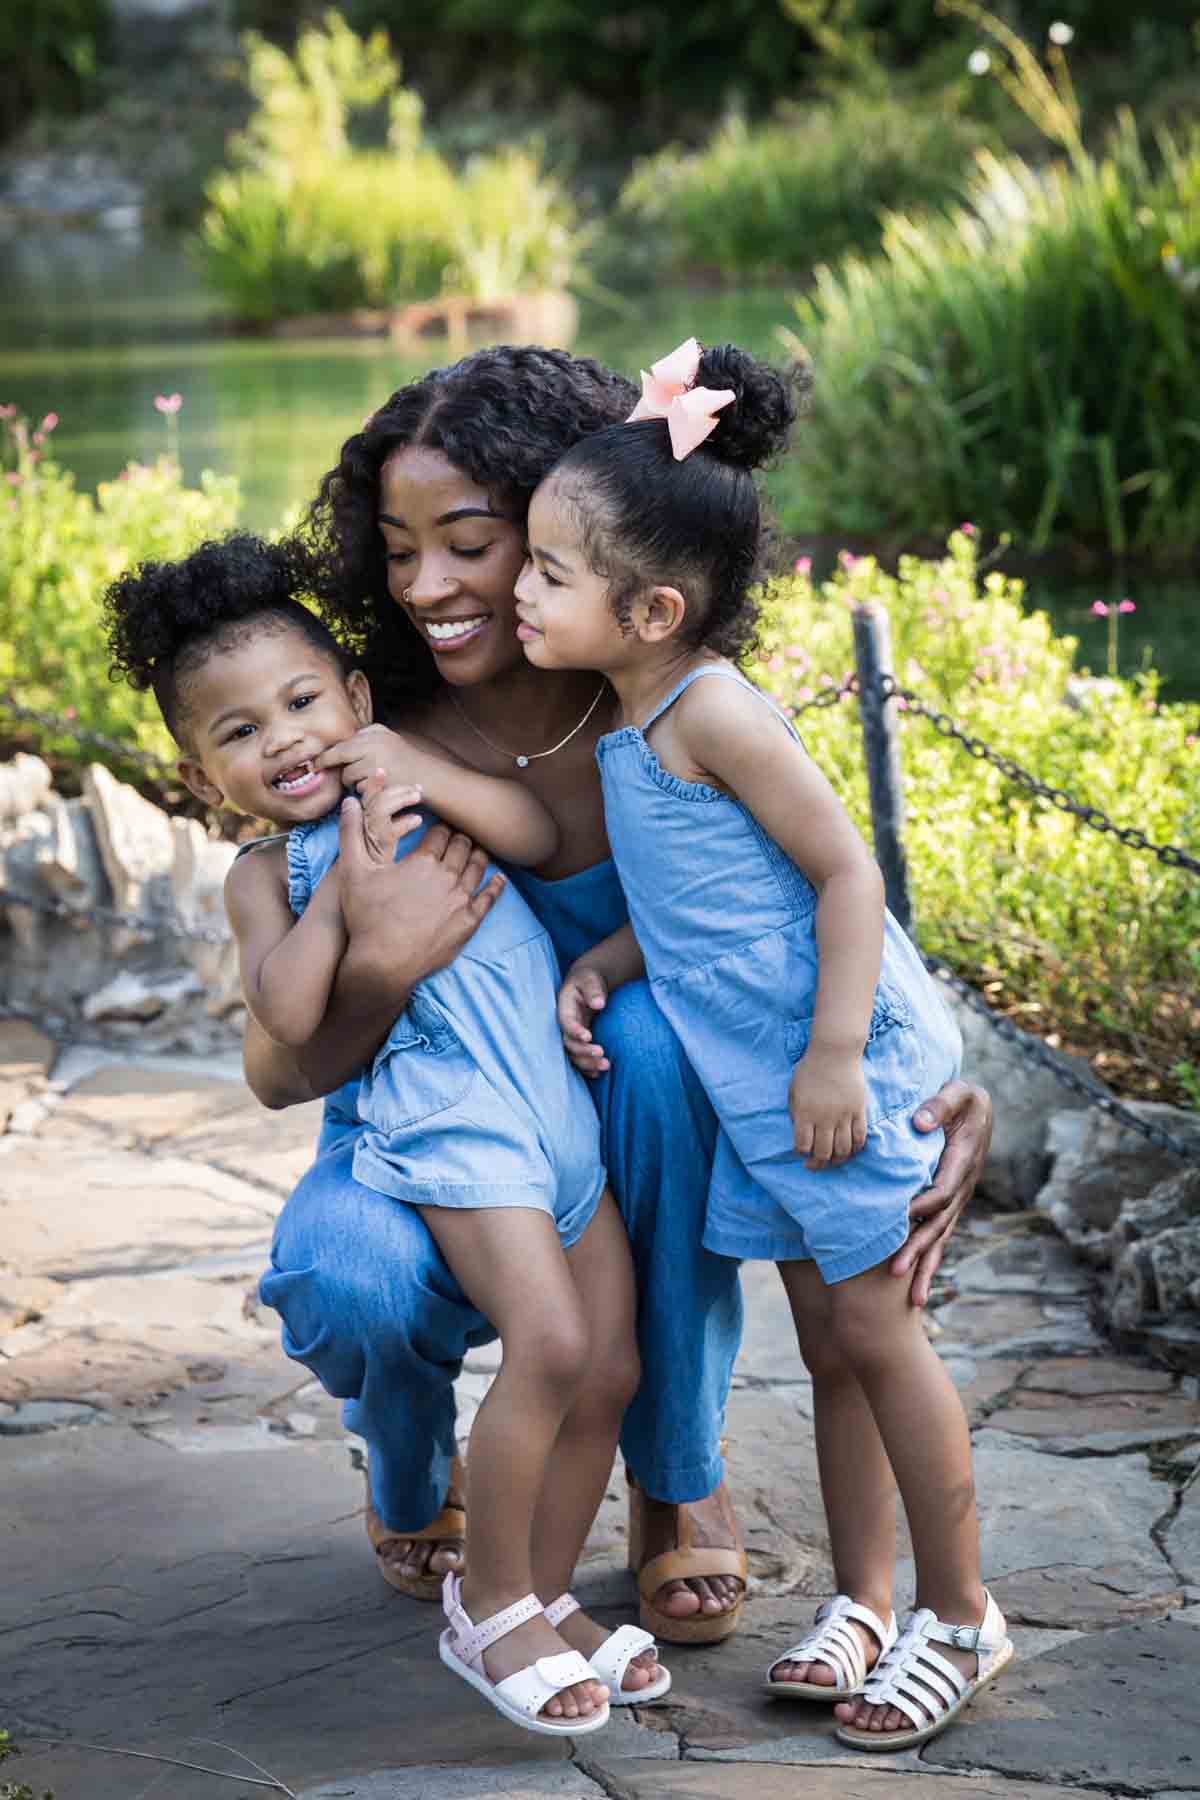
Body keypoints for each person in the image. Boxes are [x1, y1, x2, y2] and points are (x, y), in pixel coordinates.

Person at [242, 344, 995, 1652]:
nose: (427, 585)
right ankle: (414, 1463)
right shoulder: (359, 718)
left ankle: (675, 1470)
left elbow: (810, 889)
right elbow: (281, 1058)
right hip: (435, 1120)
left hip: (631, 1107)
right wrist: (384, 961)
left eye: (477, 544)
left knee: (648, 1049)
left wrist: (923, 1071)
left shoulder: (667, 696)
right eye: (398, 546)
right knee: (345, 1270)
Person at [512, 334, 1013, 1750]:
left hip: (835, 1066)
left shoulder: (713, 710)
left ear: (655, 605)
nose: (521, 591)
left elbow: (846, 875)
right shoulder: (627, 719)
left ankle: (963, 1613)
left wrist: (837, 1057)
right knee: (829, 1332)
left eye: (550, 572)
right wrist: (604, 967)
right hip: (772, 1080)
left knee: (876, 1324)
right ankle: (865, 1598)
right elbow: (695, 911)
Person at [102, 533, 671, 1735]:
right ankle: (490, 1602)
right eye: (239, 732)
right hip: (459, 1131)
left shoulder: (416, 781)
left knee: (611, 1367)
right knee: (554, 1347)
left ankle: (543, 1591)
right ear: (204, 778)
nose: (285, 738)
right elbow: (289, 1015)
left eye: (304, 700)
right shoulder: (271, 873)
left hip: (557, 1119)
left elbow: (529, 829)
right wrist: (354, 911)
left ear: (357, 700)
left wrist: (415, 770)